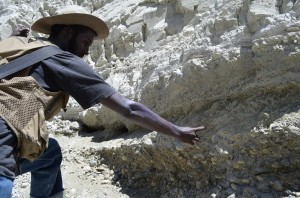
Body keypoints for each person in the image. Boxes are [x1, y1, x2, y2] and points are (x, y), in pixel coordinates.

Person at [0, 5, 205, 198]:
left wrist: (12, 39)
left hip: (8, 131)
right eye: (86, 42)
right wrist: (176, 131)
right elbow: (129, 109)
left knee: (50, 152)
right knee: (3, 176)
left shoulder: (20, 47)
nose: (87, 51)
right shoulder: (63, 60)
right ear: (69, 32)